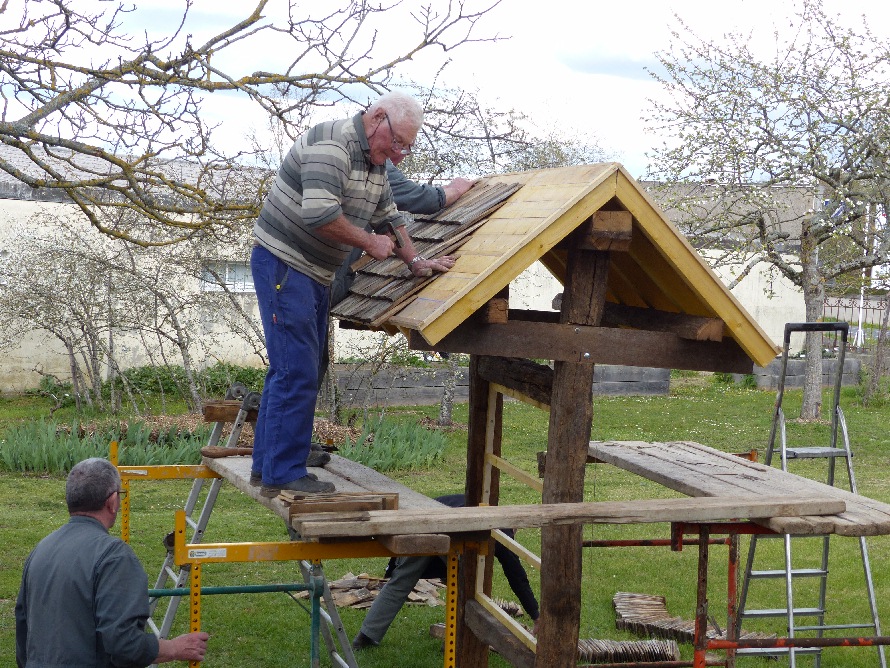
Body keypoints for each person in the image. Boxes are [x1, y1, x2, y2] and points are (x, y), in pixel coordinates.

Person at [250, 91, 458, 497]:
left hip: (314, 273)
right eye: (397, 143)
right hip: (285, 265)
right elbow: (320, 215)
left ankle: (270, 462)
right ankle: (281, 472)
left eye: (407, 149)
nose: (399, 155)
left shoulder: (374, 164)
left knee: (296, 368)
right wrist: (368, 241)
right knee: (296, 371)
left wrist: (414, 261)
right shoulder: (333, 146)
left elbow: (391, 216)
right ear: (377, 117)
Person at [15, 457, 209, 667]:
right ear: (112, 501)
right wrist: (175, 648)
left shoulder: (41, 550)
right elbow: (125, 646)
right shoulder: (114, 557)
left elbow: (23, 634)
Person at [352, 494, 540, 650]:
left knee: (401, 580)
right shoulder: (503, 533)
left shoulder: (474, 502)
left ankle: (366, 636)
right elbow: (517, 576)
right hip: (442, 530)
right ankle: (455, 641)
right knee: (467, 586)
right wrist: (536, 615)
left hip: (422, 522)